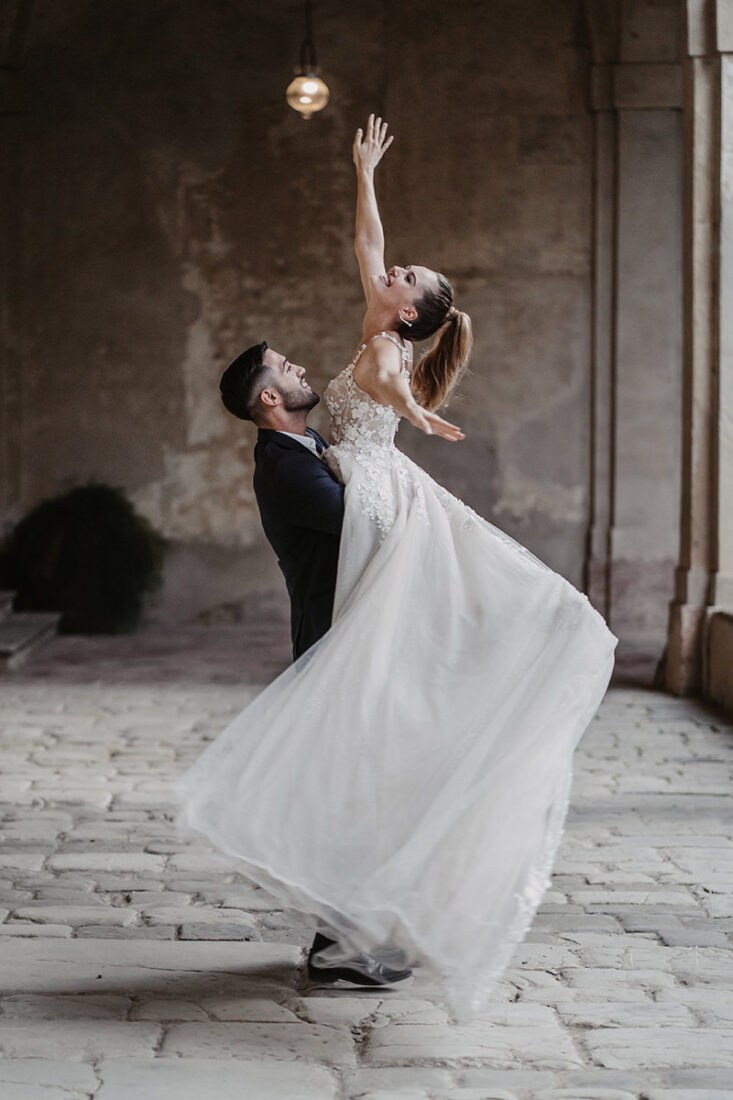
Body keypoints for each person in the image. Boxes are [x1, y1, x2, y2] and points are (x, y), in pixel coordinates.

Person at [177, 115, 617, 1021]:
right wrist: (363, 172)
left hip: (376, 487)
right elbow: (367, 244)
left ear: (410, 310)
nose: (393, 268)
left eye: (407, 277)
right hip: (366, 487)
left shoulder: (384, 347)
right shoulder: (366, 340)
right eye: (399, 268)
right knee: (372, 730)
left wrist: (417, 420)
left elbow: (392, 388)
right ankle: (346, 928)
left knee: (461, 595)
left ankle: (349, 925)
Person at [218, 339, 413, 986]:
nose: (301, 369)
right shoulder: (283, 466)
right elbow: (368, 525)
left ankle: (341, 942)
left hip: (356, 639)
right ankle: (335, 949)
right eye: (287, 368)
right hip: (334, 646)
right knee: (347, 799)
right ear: (269, 397)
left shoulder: (306, 450)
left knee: (361, 794)